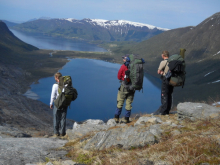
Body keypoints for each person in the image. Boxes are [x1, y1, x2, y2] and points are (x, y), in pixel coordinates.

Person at [114, 55, 135, 123]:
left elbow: (118, 77)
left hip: (124, 87)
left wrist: (123, 79)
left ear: (126, 60)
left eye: (124, 58)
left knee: (120, 102)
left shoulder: (123, 67)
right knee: (129, 103)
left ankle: (117, 118)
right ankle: (126, 119)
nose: (123, 59)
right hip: (132, 88)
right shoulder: (134, 67)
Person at [154, 50, 174, 115]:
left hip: (166, 80)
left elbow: (158, 71)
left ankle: (163, 112)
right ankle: (167, 110)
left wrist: (162, 72)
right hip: (172, 80)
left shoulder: (163, 62)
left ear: (163, 55)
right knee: (169, 95)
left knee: (164, 95)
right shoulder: (172, 61)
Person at [50, 72, 68, 137]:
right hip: (64, 103)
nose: (54, 78)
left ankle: (56, 133)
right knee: (63, 118)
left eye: (55, 77)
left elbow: (53, 95)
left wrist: (51, 103)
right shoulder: (66, 85)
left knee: (56, 117)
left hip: (57, 104)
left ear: (57, 77)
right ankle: (63, 133)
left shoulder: (55, 85)